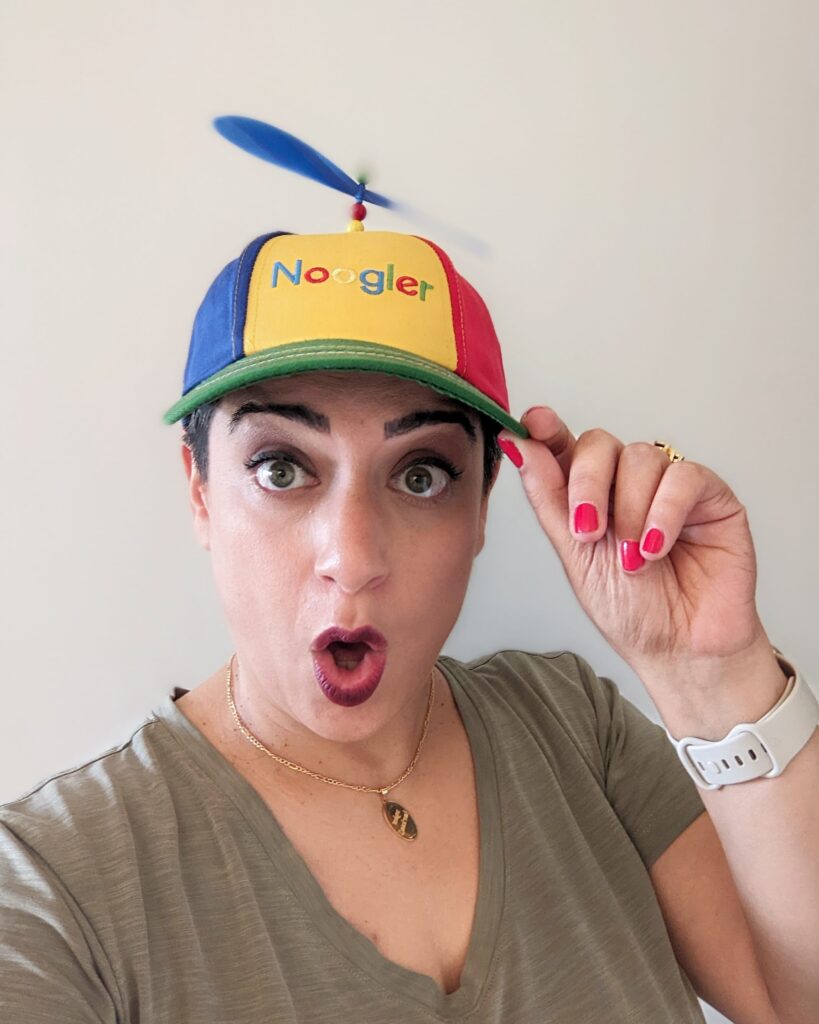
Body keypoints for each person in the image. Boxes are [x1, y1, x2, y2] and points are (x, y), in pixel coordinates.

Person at [1, 223, 816, 1024]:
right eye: (280, 468)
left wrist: (711, 674)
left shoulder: (573, 727)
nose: (352, 558)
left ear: (483, 507)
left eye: (420, 474)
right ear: (201, 491)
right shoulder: (53, 889)